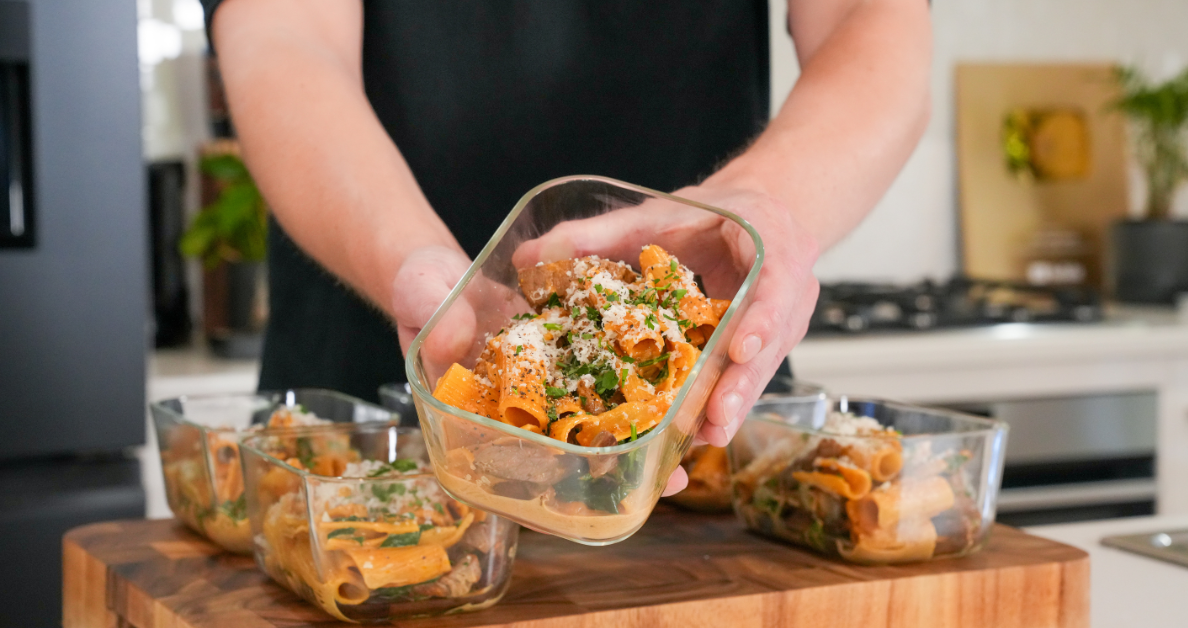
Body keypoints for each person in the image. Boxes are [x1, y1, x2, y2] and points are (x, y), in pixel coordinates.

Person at [203, 0, 931, 494]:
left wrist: (758, 205)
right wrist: (409, 261)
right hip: (369, 424)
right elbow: (285, 38)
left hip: (702, 419)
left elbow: (868, 30)